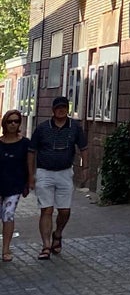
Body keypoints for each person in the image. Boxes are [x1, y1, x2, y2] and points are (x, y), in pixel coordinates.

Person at [28, 96, 87, 259]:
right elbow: (31, 152)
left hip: (65, 172)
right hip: (44, 172)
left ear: (67, 109)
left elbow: (83, 148)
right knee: (46, 209)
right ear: (53, 110)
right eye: (58, 108)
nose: (61, 110)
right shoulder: (42, 128)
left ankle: (58, 233)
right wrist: (31, 175)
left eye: (64, 107)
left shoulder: (75, 127)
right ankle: (46, 246)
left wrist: (85, 168)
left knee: (64, 211)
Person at [0, 110, 31, 263]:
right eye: (10, 121)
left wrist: (29, 182)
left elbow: (29, 164)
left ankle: (6, 249)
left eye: (16, 121)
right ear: (4, 123)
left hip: (14, 185)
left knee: (8, 214)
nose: (13, 124)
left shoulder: (25, 143)